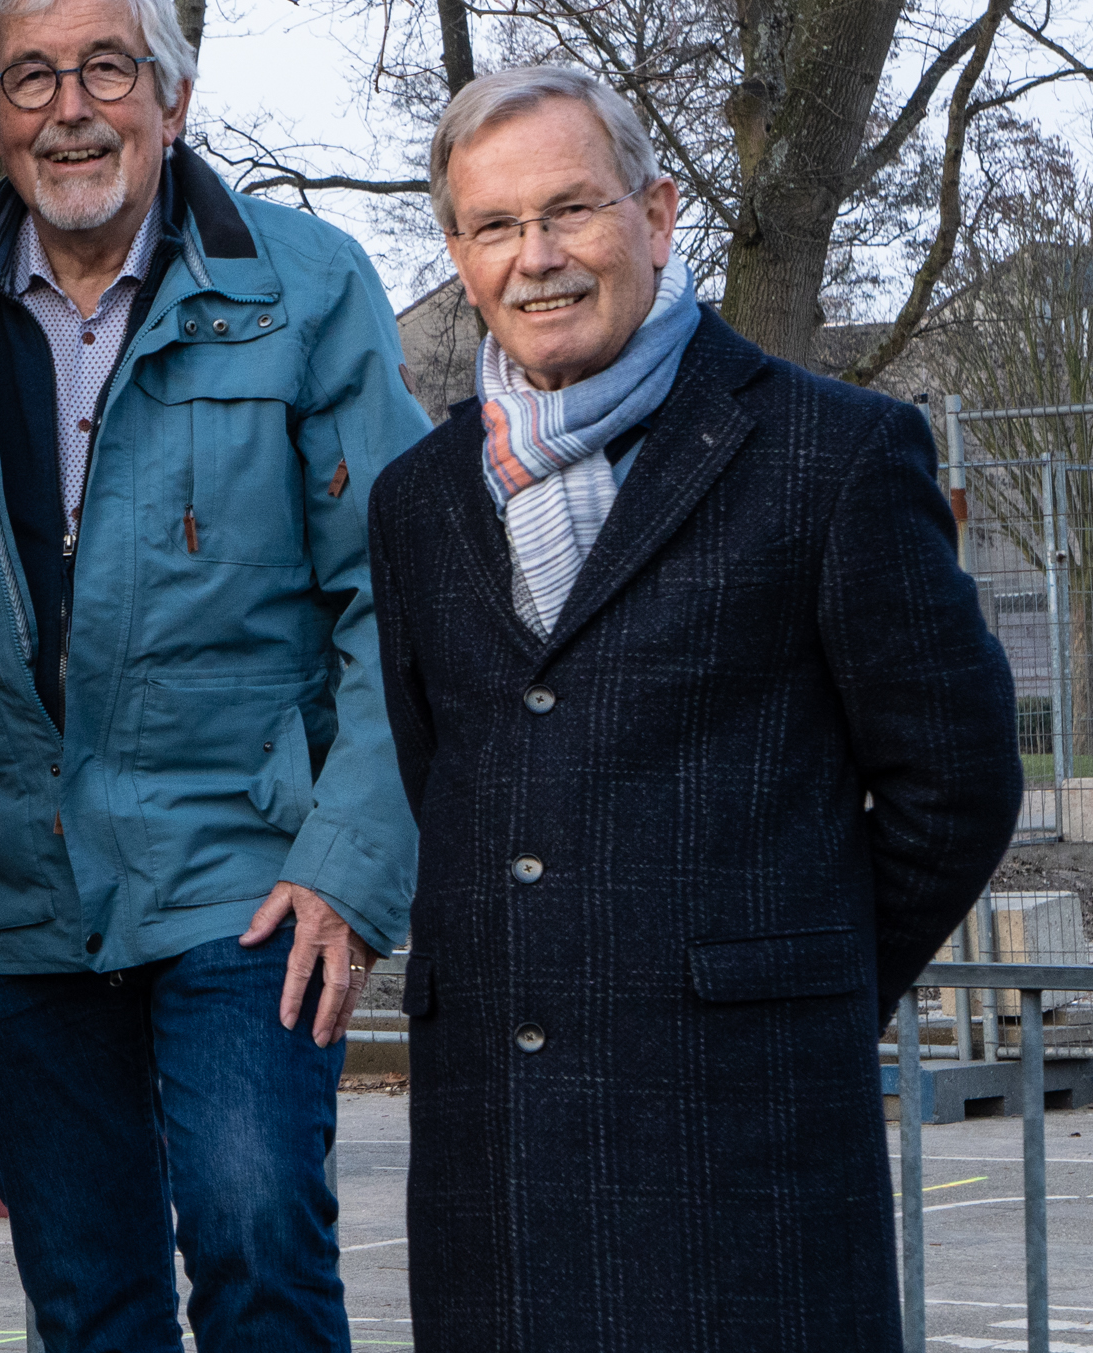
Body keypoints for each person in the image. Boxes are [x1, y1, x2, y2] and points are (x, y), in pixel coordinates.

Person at [0, 0, 429, 1352]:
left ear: (174, 96)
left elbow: (399, 600)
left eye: (107, 68)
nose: (70, 106)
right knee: (90, 1303)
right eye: (32, 76)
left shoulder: (306, 288)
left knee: (260, 1241)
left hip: (247, 878)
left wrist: (351, 865)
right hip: (8, 892)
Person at [366, 65, 1023, 1352]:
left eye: (573, 211)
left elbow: (957, 781)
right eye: (495, 227)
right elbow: (444, 768)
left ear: (657, 215)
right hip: (496, 1171)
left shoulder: (834, 454)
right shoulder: (419, 502)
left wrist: (791, 981)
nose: (537, 257)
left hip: (745, 1161)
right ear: (457, 251)